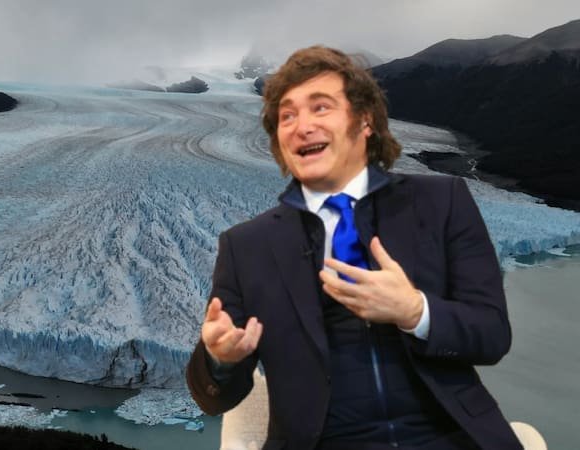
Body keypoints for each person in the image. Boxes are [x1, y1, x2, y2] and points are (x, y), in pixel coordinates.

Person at [186, 46, 522, 450]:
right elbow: (214, 398)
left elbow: (491, 334)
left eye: (320, 107)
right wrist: (221, 359)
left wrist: (415, 311)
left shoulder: (442, 202)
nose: (301, 126)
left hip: (449, 437)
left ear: (365, 121)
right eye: (287, 116)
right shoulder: (247, 247)